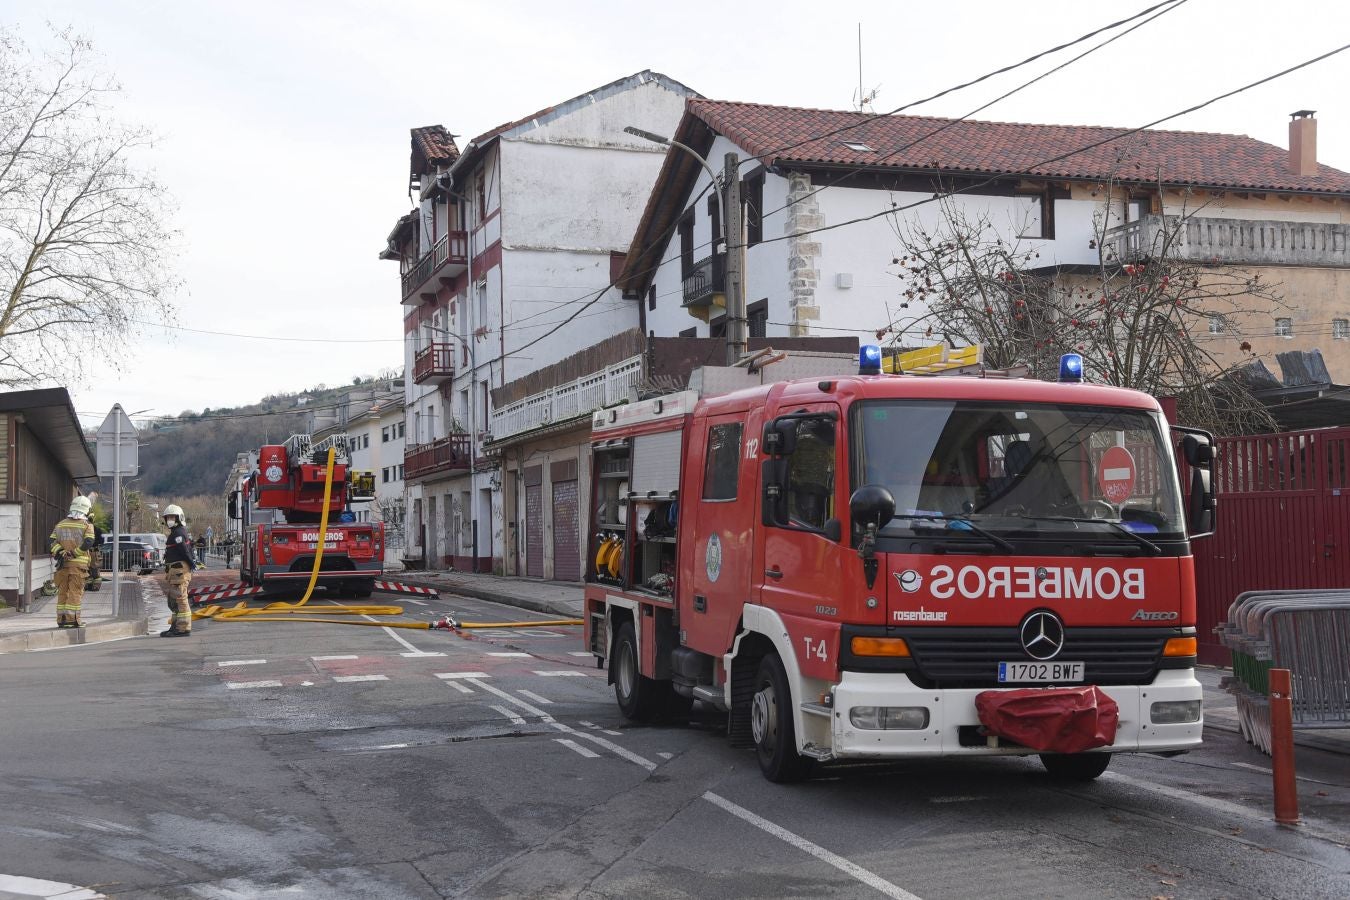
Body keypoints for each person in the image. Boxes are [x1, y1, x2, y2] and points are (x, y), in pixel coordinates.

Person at [49, 496, 96, 628]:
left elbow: (52, 542)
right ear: (87, 510)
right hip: (78, 567)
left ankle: (61, 619)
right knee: (75, 592)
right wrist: (74, 553)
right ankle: (71, 620)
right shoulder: (87, 525)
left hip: (63, 566)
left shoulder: (60, 524)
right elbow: (88, 542)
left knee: (63, 592)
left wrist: (62, 552)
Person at [160, 504, 194, 637]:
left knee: (180, 599)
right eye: (168, 517)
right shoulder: (176, 532)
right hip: (175, 572)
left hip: (179, 572)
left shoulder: (179, 533)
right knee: (174, 600)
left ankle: (183, 628)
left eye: (172, 517)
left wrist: (192, 563)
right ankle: (175, 627)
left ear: (179, 518)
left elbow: (185, 551)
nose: (169, 519)